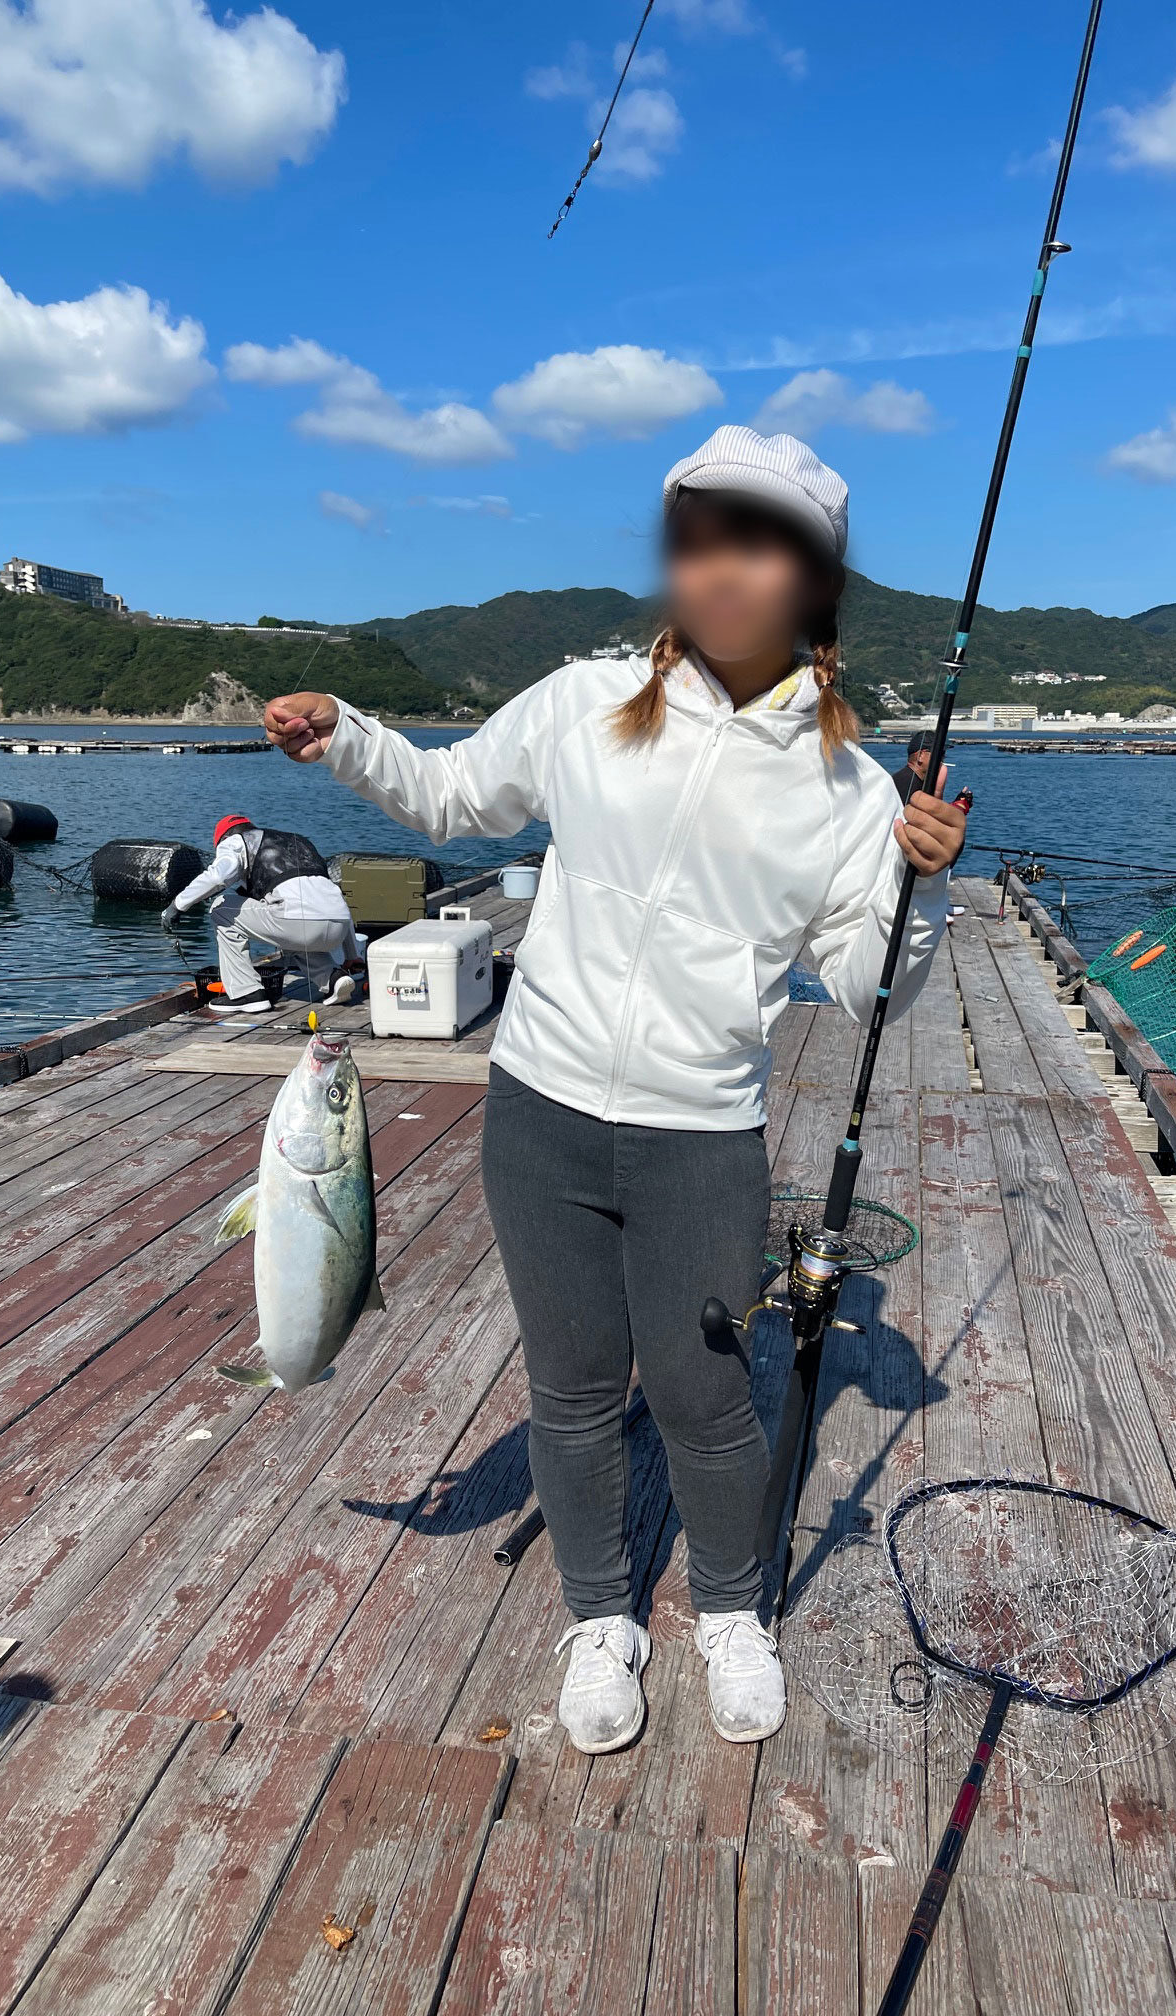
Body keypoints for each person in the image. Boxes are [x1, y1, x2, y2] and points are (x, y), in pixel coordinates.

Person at [262, 425, 966, 1753]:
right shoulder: (583, 701)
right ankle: (601, 1616)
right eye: (698, 540)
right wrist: (346, 735)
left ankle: (734, 1610)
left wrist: (921, 892)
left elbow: (867, 986)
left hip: (703, 1136)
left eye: (756, 546)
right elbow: (454, 793)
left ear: (812, 581)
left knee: (704, 1402)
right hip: (541, 1113)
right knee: (574, 1393)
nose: (721, 571)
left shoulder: (846, 786)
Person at [163, 814, 363, 1015]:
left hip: (297, 922)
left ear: (224, 839)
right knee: (293, 930)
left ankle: (246, 993)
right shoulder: (300, 843)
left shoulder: (237, 841)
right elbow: (335, 902)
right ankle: (333, 978)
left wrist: (178, 905)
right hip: (338, 926)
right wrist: (352, 954)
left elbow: (218, 876)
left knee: (221, 908)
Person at [892, 730, 934, 803]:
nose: (942, 759)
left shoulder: (906, 777)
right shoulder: (905, 783)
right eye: (940, 754)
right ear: (920, 755)